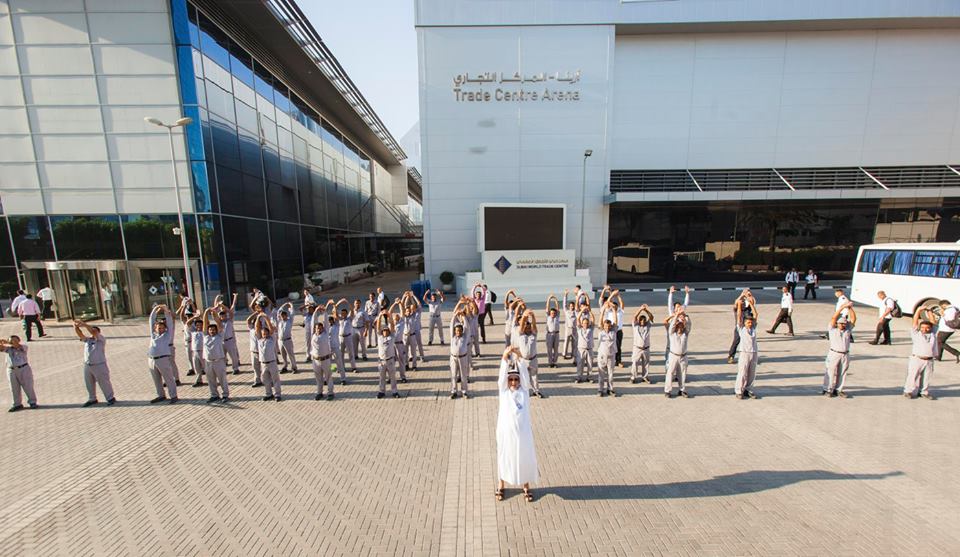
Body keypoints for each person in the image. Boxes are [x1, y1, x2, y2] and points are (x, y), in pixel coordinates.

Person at [495, 346, 538, 503]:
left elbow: (525, 375)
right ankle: (501, 485)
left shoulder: (524, 391)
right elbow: (501, 377)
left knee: (523, 458)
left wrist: (519, 358)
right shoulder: (504, 392)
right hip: (506, 433)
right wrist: (504, 358)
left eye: (516, 379)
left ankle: (525, 486)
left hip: (523, 434)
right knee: (504, 457)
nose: (513, 382)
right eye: (511, 379)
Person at [74, 320, 115, 407]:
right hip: (88, 365)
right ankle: (92, 398)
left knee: (104, 382)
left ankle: (110, 398)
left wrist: (84, 325)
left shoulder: (101, 339)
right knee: (89, 383)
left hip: (99, 364)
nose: (92, 333)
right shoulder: (87, 340)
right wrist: (76, 327)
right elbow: (80, 335)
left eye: (95, 331)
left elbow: (92, 331)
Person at [904, 306, 938, 400]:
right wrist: (918, 310)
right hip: (917, 358)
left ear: (930, 328)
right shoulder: (916, 334)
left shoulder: (933, 334)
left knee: (926, 377)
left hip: (929, 359)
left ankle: (924, 392)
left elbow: (933, 322)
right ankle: (908, 391)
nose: (924, 329)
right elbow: (915, 321)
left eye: (927, 328)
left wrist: (929, 311)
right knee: (913, 376)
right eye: (922, 327)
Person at [823, 302, 856, 398]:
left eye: (844, 323)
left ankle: (838, 389)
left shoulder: (848, 330)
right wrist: (842, 308)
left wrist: (850, 308)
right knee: (830, 371)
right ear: (837, 324)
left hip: (845, 354)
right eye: (841, 323)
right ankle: (827, 389)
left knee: (842, 372)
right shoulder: (832, 329)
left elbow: (853, 319)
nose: (843, 325)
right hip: (834, 353)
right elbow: (833, 318)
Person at [147, 304, 177, 404]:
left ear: (165, 328)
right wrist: (155, 309)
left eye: (162, 328)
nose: (160, 329)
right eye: (158, 328)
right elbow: (151, 320)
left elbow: (170, 323)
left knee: (168, 378)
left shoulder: (167, 335)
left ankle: (173, 395)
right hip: (152, 359)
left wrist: (165, 310)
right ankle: (161, 395)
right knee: (156, 379)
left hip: (162, 359)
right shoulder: (153, 335)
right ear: (155, 328)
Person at [201, 307, 229, 403]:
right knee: (211, 380)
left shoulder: (219, 336)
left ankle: (225, 395)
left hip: (218, 361)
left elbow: (219, 324)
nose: (212, 331)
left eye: (213, 330)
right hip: (208, 362)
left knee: (222, 379)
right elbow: (205, 323)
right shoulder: (205, 336)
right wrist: (206, 312)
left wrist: (214, 314)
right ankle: (214, 395)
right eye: (210, 330)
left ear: (216, 330)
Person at [2, 335, 36, 412]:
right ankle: (17, 404)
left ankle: (32, 402)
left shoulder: (23, 347)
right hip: (11, 370)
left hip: (23, 368)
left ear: (18, 340)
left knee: (28, 386)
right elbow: (1, 348)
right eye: (11, 340)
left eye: (14, 340)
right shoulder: (8, 349)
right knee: (14, 388)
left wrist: (8, 342)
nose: (13, 342)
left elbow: (16, 345)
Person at [734, 298, 759, 400]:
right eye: (748, 322)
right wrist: (740, 306)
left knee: (751, 373)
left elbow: (756, 315)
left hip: (753, 352)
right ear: (744, 323)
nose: (750, 324)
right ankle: (739, 390)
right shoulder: (741, 328)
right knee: (742, 372)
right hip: (744, 352)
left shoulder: (753, 328)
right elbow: (739, 316)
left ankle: (748, 390)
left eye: (750, 322)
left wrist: (751, 304)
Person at [664, 307, 692, 399]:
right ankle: (667, 390)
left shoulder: (685, 334)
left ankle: (682, 390)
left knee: (683, 374)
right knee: (670, 373)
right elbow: (672, 325)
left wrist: (685, 315)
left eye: (681, 326)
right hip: (673, 356)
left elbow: (689, 325)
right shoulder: (672, 334)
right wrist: (677, 315)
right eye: (678, 326)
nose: (680, 328)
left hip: (683, 356)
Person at [309, 305, 335, 400]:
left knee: (328, 376)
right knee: (318, 378)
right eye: (317, 328)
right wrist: (315, 311)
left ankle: (330, 392)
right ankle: (319, 392)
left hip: (325, 359)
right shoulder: (313, 335)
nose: (319, 329)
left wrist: (324, 312)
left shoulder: (325, 333)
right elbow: (313, 322)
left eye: (320, 328)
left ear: (323, 329)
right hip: (316, 360)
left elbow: (326, 322)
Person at [255, 311, 282, 402]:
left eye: (266, 333)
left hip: (272, 362)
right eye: (263, 334)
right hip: (263, 363)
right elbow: (257, 328)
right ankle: (268, 394)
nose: (265, 335)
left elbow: (271, 328)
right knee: (265, 380)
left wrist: (266, 318)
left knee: (275, 379)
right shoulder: (259, 340)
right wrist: (258, 317)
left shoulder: (271, 339)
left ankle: (277, 394)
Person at [517, 309, 543, 398]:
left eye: (529, 327)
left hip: (533, 359)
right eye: (526, 327)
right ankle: (524, 391)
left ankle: (536, 391)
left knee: (534, 377)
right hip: (524, 360)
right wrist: (524, 316)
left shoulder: (534, 335)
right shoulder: (521, 334)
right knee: (523, 376)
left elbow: (534, 325)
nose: (527, 329)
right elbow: (521, 325)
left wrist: (533, 316)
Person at [215, 294, 241, 375]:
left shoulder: (229, 320)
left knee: (233, 355)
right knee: (222, 357)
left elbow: (231, 311)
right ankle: (224, 369)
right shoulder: (219, 323)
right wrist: (217, 299)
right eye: (221, 315)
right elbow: (214, 312)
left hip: (230, 340)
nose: (222, 316)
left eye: (224, 315)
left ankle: (235, 368)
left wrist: (222, 305)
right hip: (222, 341)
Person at [600, 288, 625, 367]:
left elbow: (621, 302)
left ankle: (618, 361)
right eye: (613, 306)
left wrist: (618, 295)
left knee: (618, 346)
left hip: (619, 331)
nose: (614, 307)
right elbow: (607, 302)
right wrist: (612, 294)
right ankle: (606, 361)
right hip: (610, 330)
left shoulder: (620, 311)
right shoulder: (609, 311)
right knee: (608, 346)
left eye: (615, 306)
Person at [726, 290, 753, 364]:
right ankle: (731, 356)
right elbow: (736, 302)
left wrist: (749, 295)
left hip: (748, 327)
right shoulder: (736, 309)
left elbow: (752, 301)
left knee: (749, 342)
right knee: (736, 341)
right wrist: (742, 295)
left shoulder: (748, 308)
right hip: (739, 327)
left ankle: (749, 357)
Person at [376, 320, 400, 399]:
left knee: (392, 377)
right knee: (382, 377)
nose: (385, 332)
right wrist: (380, 316)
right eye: (384, 331)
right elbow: (378, 327)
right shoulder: (380, 338)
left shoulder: (391, 337)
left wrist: (389, 316)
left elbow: (392, 325)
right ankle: (381, 391)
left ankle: (394, 391)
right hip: (382, 361)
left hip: (390, 360)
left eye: (386, 331)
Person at [630, 305, 653, 384]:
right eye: (641, 320)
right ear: (639, 321)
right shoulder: (635, 326)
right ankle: (633, 377)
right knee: (635, 363)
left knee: (646, 363)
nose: (642, 322)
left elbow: (651, 317)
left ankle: (645, 376)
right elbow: (634, 317)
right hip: (637, 348)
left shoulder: (648, 326)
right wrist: (640, 309)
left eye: (644, 320)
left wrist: (646, 310)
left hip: (646, 348)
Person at [448, 317, 469, 399]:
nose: (458, 332)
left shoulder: (465, 337)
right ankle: (454, 391)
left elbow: (466, 326)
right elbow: (451, 325)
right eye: (457, 331)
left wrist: (463, 317)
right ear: (454, 331)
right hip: (453, 358)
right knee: (453, 375)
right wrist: (455, 315)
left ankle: (464, 391)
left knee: (463, 375)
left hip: (463, 358)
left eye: (460, 330)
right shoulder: (452, 337)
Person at [275, 302, 299, 374]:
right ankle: (285, 366)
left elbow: (292, 312)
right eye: (281, 315)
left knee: (290, 354)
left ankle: (294, 367)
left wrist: (290, 305)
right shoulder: (279, 321)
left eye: (284, 315)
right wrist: (284, 305)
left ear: (286, 315)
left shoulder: (289, 320)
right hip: (280, 340)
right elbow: (278, 311)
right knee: (283, 355)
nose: (282, 316)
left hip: (287, 340)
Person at [596, 318, 617, 397]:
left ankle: (610, 389)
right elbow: (600, 322)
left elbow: (615, 322)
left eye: (608, 326)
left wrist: (614, 311)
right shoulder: (601, 333)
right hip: (602, 356)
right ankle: (600, 390)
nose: (607, 327)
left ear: (610, 326)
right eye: (605, 326)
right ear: (603, 326)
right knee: (601, 374)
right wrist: (603, 311)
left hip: (611, 356)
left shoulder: (613, 332)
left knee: (610, 375)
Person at [575, 310, 595, 384]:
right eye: (584, 323)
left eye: (586, 323)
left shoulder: (591, 329)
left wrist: (590, 311)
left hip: (589, 349)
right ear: (582, 324)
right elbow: (578, 318)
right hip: (581, 349)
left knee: (590, 364)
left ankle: (589, 377)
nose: (585, 324)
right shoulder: (579, 329)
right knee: (580, 364)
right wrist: (582, 310)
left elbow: (593, 319)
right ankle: (579, 377)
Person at [544, 296, 561, 368]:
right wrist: (549, 299)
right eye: (552, 313)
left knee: (556, 349)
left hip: (556, 334)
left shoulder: (557, 317)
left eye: (554, 313)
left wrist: (556, 299)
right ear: (550, 313)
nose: (553, 314)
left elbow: (558, 308)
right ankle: (550, 362)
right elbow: (547, 307)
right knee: (549, 349)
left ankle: (555, 362)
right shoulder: (548, 317)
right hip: (549, 334)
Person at [561, 289, 578, 360]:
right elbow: (564, 305)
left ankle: (573, 355)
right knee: (566, 342)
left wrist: (576, 295)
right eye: (570, 306)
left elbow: (577, 304)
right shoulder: (567, 311)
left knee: (574, 343)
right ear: (569, 306)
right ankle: (564, 354)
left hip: (574, 329)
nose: (572, 307)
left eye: (573, 306)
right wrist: (565, 295)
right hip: (568, 329)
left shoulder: (576, 312)